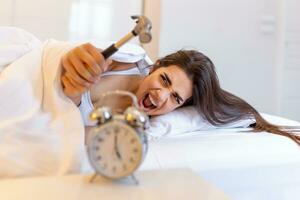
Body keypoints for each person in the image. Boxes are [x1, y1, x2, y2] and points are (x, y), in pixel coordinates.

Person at [61, 43, 300, 145]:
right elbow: (78, 61)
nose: (161, 96)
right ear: (155, 67)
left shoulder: (133, 125)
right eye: (164, 80)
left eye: (175, 98)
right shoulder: (126, 62)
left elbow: (67, 133)